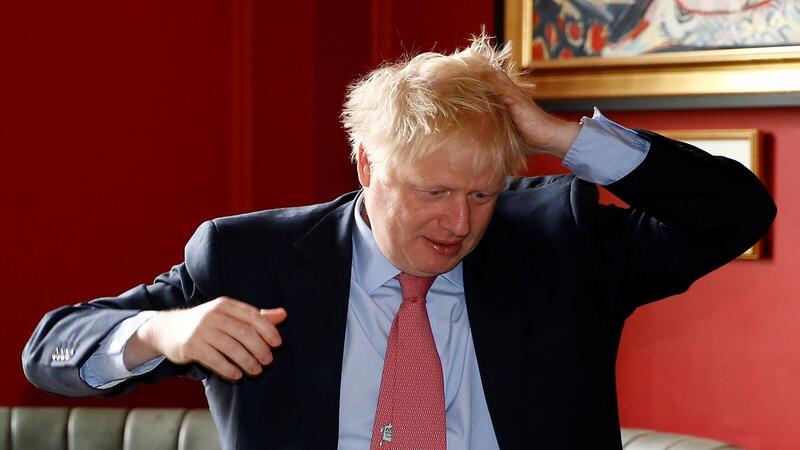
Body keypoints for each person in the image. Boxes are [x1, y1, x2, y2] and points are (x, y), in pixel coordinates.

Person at [23, 34, 775, 450]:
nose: (459, 224)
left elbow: (733, 214)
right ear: (365, 167)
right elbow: (49, 351)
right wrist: (163, 330)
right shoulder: (250, 260)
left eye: (482, 194)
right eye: (433, 193)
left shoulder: (559, 245)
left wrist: (561, 137)